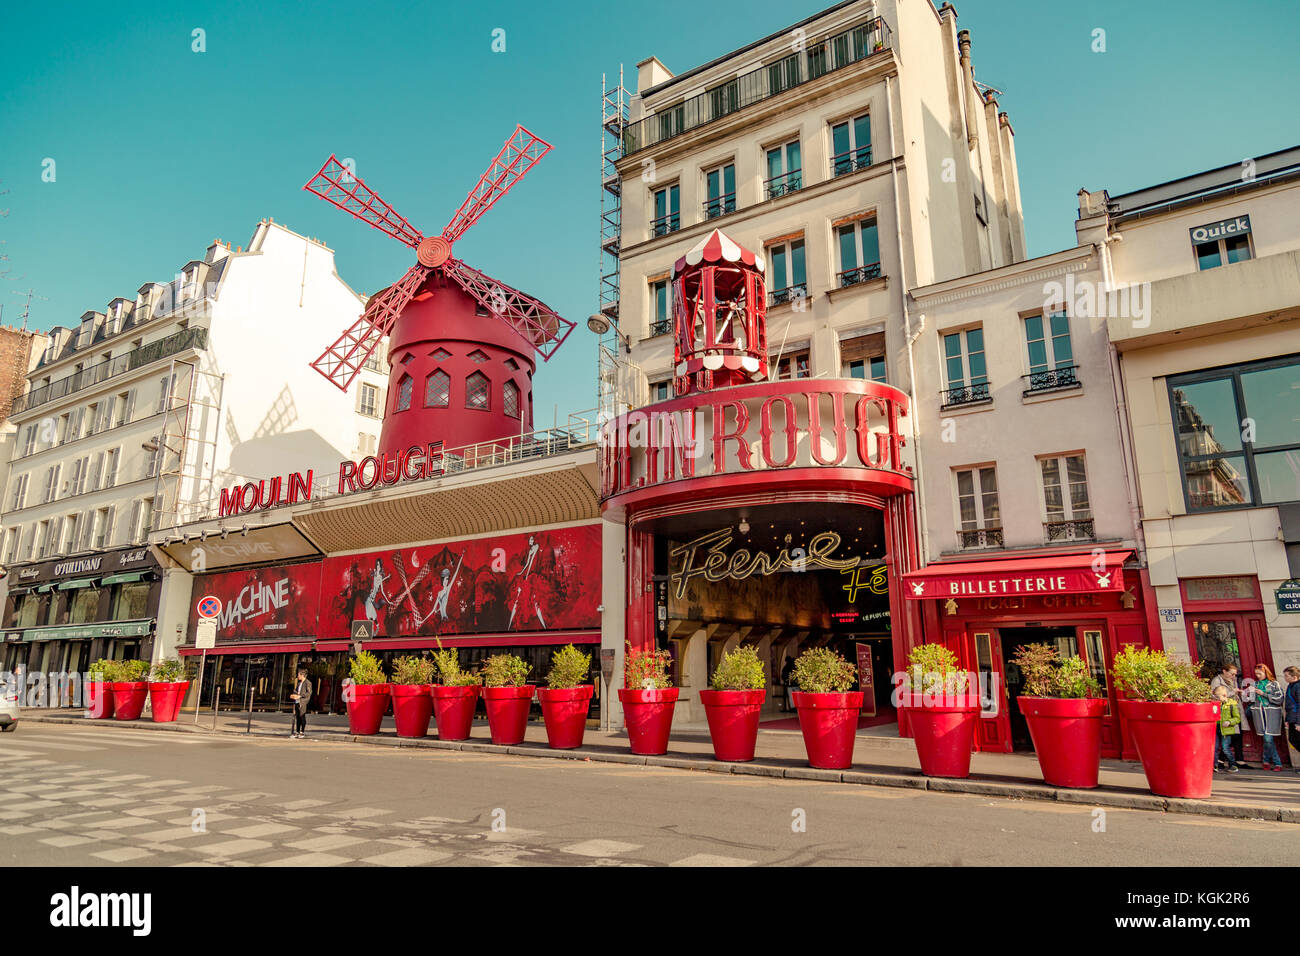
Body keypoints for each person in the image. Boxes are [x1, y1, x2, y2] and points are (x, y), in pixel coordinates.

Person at [1209, 664, 1250, 768]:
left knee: (1238, 734)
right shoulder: (1217, 681)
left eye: (1235, 674)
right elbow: (1216, 695)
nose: (1234, 676)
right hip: (1225, 712)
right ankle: (1224, 761)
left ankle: (1238, 760)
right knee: (1229, 738)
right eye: (1232, 674)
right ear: (1224, 671)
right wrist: (1233, 692)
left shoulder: (1233, 680)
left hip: (1234, 709)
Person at [1248, 664, 1285, 771]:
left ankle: (1277, 763)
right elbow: (1250, 700)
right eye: (1256, 674)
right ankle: (1266, 762)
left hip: (1271, 713)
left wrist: (1263, 694)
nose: (1258, 676)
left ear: (1266, 673)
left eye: (1260, 673)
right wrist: (1249, 693)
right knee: (1266, 738)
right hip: (1259, 714)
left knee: (1268, 738)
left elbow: (1279, 699)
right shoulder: (1255, 684)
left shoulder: (1274, 684)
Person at [1212, 685, 1240, 773]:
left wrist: (1229, 722)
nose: (1216, 698)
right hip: (1216, 728)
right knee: (1214, 748)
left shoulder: (1231, 705)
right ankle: (1214, 765)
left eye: (1217, 697)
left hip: (1226, 730)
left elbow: (1237, 718)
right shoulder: (1216, 705)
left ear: (1224, 695)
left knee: (1225, 748)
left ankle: (1233, 765)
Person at [1284, 666, 1300, 775]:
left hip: (1297, 719)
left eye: (1286, 676)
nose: (1285, 677)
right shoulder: (1291, 685)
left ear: (1294, 676)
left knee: (1296, 740)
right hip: (1292, 718)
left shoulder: (1298, 686)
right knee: (1293, 740)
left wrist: (1299, 722)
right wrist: (1287, 719)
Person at [289, 667, 312, 739]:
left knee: (302, 716)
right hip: (297, 702)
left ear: (302, 675)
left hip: (302, 702)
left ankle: (302, 731)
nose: (297, 676)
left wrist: (300, 696)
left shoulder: (308, 683)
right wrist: (294, 694)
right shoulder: (299, 683)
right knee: (297, 717)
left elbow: (309, 693)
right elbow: (296, 690)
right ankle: (297, 731)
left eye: (298, 675)